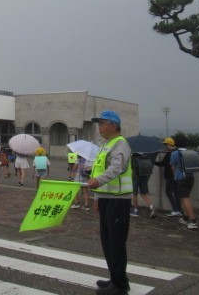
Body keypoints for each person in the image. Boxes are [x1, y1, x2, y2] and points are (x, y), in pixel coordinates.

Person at [87, 110, 132, 295]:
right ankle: (115, 278)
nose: (99, 127)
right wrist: (97, 197)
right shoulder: (105, 145)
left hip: (118, 200)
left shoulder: (120, 144)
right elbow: (99, 170)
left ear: (113, 126)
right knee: (107, 241)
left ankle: (120, 285)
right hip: (107, 199)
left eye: (102, 124)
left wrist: (98, 182)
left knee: (116, 242)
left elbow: (116, 168)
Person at [171, 133, 199, 230]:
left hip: (181, 179)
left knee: (185, 198)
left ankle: (193, 221)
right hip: (190, 178)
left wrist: (175, 174)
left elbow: (173, 167)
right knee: (184, 197)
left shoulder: (175, 154)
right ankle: (185, 218)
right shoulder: (192, 153)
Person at [154, 137, 181, 217]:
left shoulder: (170, 153)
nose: (165, 146)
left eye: (165, 145)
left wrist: (153, 162)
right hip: (177, 176)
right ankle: (179, 210)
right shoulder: (177, 152)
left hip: (170, 176)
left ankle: (175, 210)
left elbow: (163, 163)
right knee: (176, 193)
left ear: (169, 144)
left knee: (168, 192)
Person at [130, 154, 157, 218]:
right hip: (144, 176)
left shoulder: (133, 157)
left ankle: (135, 211)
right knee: (143, 193)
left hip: (135, 176)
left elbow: (132, 167)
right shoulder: (146, 156)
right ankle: (152, 206)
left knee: (134, 194)